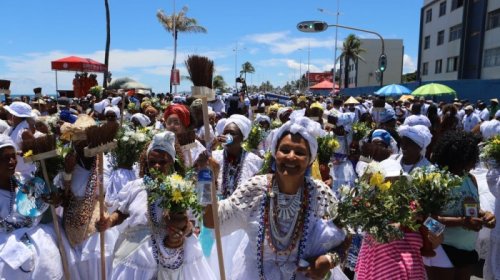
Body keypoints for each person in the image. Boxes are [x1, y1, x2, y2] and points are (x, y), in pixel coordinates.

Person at [204, 116, 347, 280]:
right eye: (285, 150)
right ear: (275, 154)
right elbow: (211, 220)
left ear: (310, 160)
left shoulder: (320, 194)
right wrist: (208, 181)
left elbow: (345, 237)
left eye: (300, 152)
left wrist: (329, 260)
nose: (291, 156)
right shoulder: (255, 189)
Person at [97, 131, 216, 280]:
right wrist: (109, 222)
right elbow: (121, 213)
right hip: (136, 257)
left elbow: (193, 218)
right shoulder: (135, 187)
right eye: (152, 162)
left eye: (162, 161)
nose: (157, 166)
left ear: (172, 162)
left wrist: (182, 232)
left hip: (174, 254)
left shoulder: (182, 188)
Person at [425, 131, 496, 280]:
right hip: (442, 249)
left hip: (467, 249)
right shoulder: (435, 178)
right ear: (458, 158)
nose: (472, 164)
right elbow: (426, 219)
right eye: (469, 159)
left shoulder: (470, 179)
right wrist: (462, 222)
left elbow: (474, 208)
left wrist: (485, 215)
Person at [0, 134, 63, 279]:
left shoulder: (27, 181)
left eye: (13, 156)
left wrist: (52, 200)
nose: (12, 162)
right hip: (7, 250)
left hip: (41, 244)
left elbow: (42, 206)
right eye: (5, 158)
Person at [208, 114, 263, 278]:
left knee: (235, 263)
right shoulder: (214, 157)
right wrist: (211, 149)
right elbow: (202, 187)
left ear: (242, 137)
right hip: (217, 216)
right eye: (225, 132)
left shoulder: (254, 161)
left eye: (232, 133)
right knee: (215, 261)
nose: (228, 136)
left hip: (242, 221)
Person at [3, 101, 36, 178]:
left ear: (14, 115)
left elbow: (33, 153)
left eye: (9, 112)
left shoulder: (24, 132)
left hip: (25, 174)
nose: (7, 114)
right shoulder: (12, 128)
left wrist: (15, 153)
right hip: (16, 171)